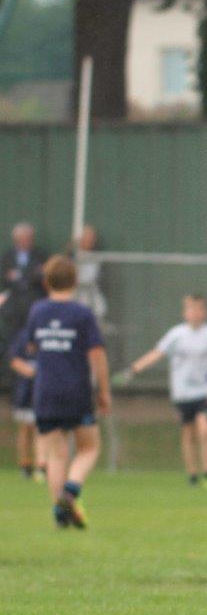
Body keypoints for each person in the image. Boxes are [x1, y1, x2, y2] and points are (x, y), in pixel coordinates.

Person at [8, 256, 110, 528]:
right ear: (75, 281)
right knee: (89, 448)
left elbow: (30, 347)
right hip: (76, 391)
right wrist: (104, 391)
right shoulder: (82, 314)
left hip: (45, 392)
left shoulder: (38, 311)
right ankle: (70, 492)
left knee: (56, 455)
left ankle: (59, 513)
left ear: (46, 282)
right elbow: (97, 354)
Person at [118, 295, 207, 489]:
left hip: (205, 393)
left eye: (199, 309)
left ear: (205, 312)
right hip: (183, 394)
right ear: (185, 312)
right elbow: (156, 353)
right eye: (191, 309)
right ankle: (193, 475)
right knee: (188, 434)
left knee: (206, 430)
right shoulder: (176, 334)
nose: (195, 313)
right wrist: (133, 370)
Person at [0, 222, 48, 346]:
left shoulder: (40, 255)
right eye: (22, 238)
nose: (26, 241)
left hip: (34, 302)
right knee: (12, 338)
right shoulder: (7, 256)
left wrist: (20, 275)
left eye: (28, 238)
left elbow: (41, 276)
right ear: (16, 239)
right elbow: (5, 278)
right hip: (13, 304)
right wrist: (30, 274)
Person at [8, 330, 46, 481]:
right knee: (25, 429)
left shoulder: (48, 336)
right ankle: (25, 465)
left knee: (41, 428)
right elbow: (14, 360)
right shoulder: (23, 336)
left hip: (45, 392)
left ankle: (41, 466)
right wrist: (32, 373)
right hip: (26, 392)